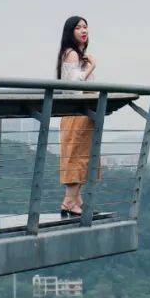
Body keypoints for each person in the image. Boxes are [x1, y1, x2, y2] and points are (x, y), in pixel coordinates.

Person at [56, 15, 97, 217]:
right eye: (79, 27)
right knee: (77, 156)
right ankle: (69, 202)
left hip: (80, 111)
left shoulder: (77, 54)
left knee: (80, 156)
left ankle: (75, 200)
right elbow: (74, 86)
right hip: (77, 111)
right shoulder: (72, 54)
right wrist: (91, 67)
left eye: (86, 27)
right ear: (70, 31)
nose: (84, 31)